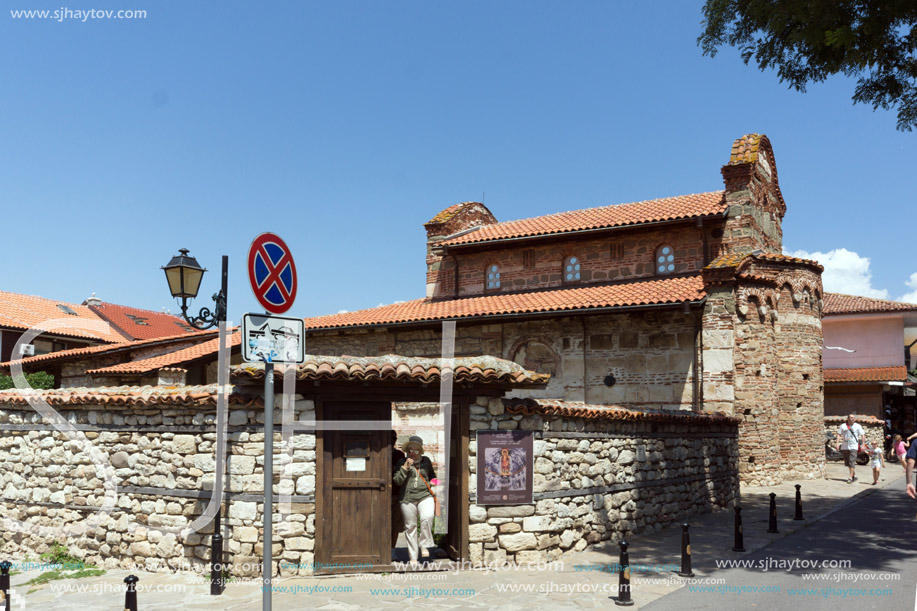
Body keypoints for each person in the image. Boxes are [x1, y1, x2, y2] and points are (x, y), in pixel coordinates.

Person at [393, 435, 436, 563]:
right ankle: (413, 557)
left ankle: (424, 544)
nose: (413, 453)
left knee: (427, 517)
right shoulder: (402, 462)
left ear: (420, 451)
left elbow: (432, 476)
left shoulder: (426, 461)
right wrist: (405, 468)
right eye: (410, 450)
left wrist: (435, 482)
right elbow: (397, 481)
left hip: (425, 496)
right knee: (410, 527)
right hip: (407, 498)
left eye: (416, 450)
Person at [837, 414, 865, 484]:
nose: (853, 419)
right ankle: (854, 475)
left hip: (854, 446)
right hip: (845, 446)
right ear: (848, 418)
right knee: (848, 463)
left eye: (854, 418)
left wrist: (863, 444)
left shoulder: (858, 426)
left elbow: (862, 435)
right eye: (851, 417)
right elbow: (839, 434)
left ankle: (850, 477)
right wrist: (837, 443)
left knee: (852, 462)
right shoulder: (843, 426)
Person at [391, 431, 405, 549]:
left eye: (393, 438)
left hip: (396, 494)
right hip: (380, 494)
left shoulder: (399, 455)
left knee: (395, 524)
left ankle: (392, 548)